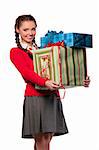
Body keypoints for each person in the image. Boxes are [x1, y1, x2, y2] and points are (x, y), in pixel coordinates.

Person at [10, 14, 90, 150]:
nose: (30, 33)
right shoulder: (16, 52)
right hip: (35, 97)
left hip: (52, 95)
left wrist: (80, 79)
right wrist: (45, 82)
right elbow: (27, 73)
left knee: (47, 137)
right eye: (25, 30)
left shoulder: (43, 48)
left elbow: (61, 68)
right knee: (42, 139)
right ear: (18, 30)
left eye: (33, 29)